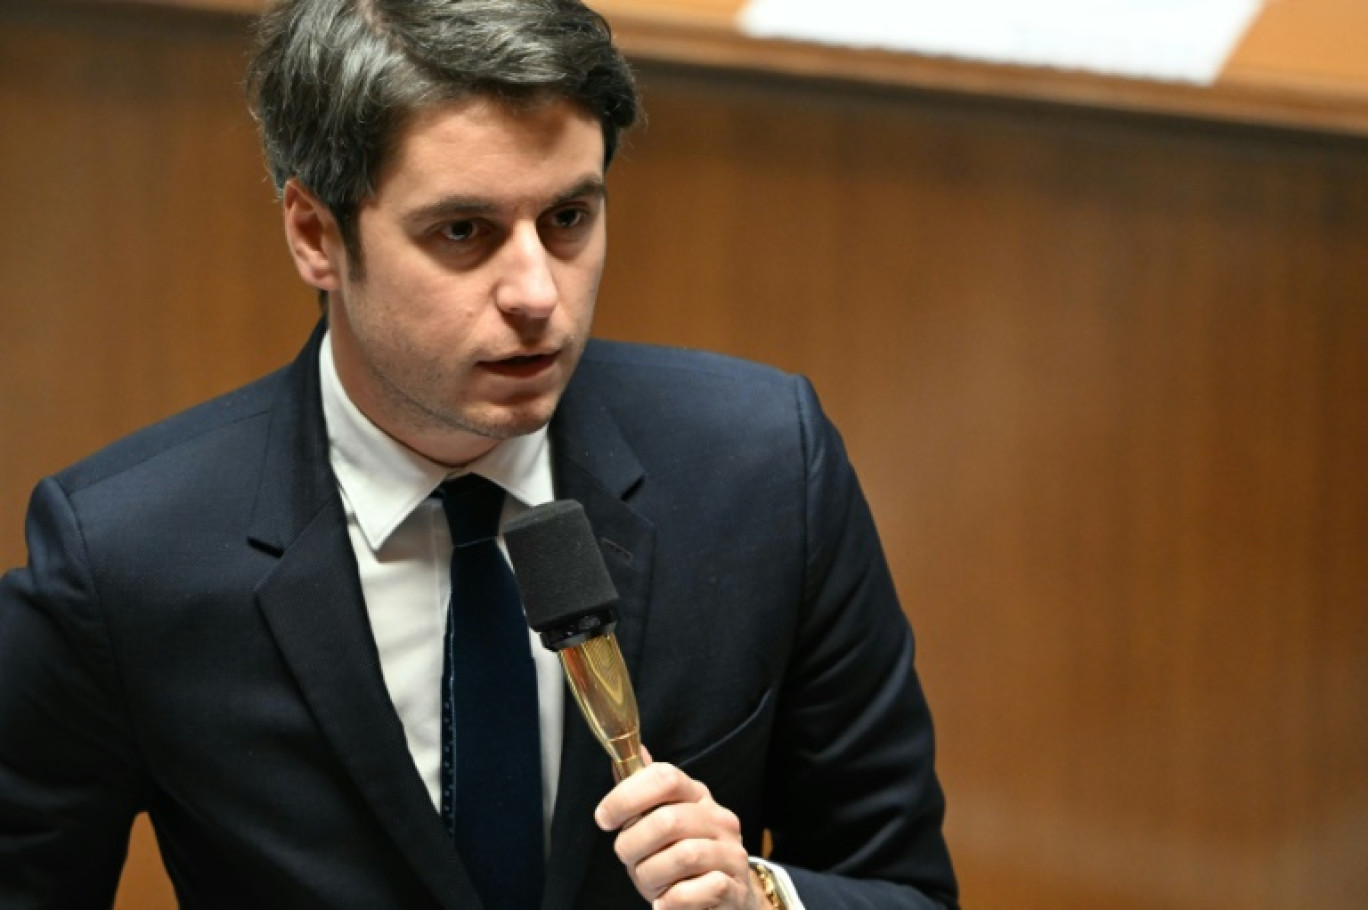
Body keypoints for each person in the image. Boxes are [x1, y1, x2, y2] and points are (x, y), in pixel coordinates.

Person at [0, 0, 957, 907]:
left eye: (569, 219)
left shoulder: (764, 469)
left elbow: (905, 888)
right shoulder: (122, 560)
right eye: (464, 231)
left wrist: (764, 894)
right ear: (314, 234)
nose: (538, 292)